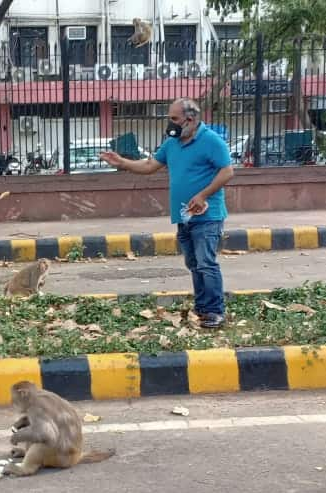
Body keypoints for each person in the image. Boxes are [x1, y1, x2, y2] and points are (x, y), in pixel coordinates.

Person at [100, 98, 235, 328]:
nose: (170, 124)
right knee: (193, 263)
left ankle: (215, 311)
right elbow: (150, 166)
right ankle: (202, 307)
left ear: (190, 119)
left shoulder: (211, 141)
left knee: (206, 263)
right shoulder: (172, 143)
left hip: (208, 216)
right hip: (184, 216)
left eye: (174, 119)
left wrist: (202, 195)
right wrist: (122, 162)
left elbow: (227, 172)